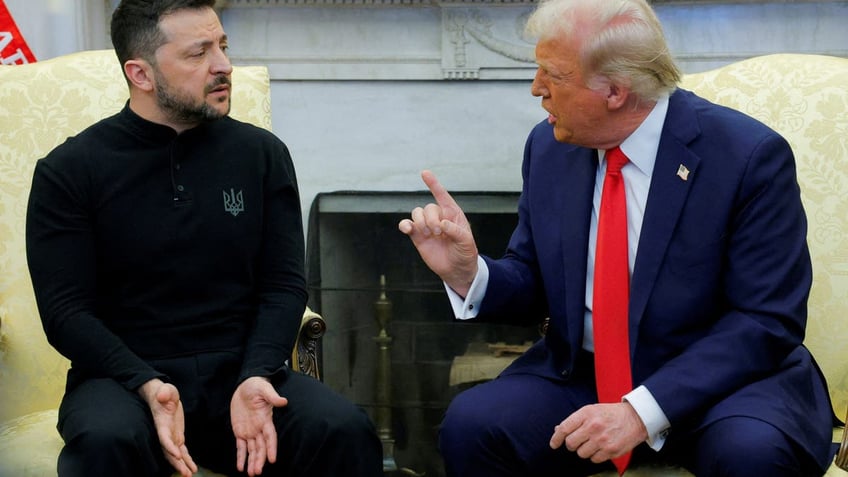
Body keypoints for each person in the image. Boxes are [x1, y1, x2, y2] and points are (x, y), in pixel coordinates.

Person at [398, 0, 838, 475]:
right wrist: (470, 273)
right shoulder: (550, 147)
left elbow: (764, 321)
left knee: (751, 454)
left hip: (724, 384)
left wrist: (638, 411)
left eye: (553, 75)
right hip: (585, 375)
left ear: (614, 90)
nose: (536, 89)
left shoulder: (747, 157)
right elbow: (534, 283)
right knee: (474, 426)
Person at [25, 1, 382, 476]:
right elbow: (66, 312)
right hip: (124, 382)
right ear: (141, 74)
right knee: (103, 442)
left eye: (223, 46)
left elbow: (283, 285)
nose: (223, 66)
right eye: (198, 54)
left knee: (343, 429)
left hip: (241, 373)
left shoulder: (262, 155)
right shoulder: (67, 172)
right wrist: (146, 382)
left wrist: (256, 373)